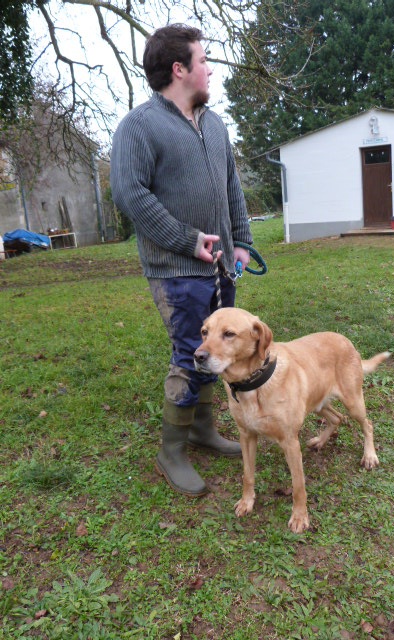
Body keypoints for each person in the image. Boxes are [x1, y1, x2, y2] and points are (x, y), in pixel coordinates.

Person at [110, 24, 253, 497]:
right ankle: (172, 449)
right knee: (189, 357)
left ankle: (203, 430)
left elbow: (231, 185)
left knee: (218, 352)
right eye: (203, 59)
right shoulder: (139, 127)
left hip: (219, 266)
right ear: (180, 69)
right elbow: (129, 194)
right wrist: (187, 240)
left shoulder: (214, 125)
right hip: (175, 271)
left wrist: (242, 242)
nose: (209, 68)